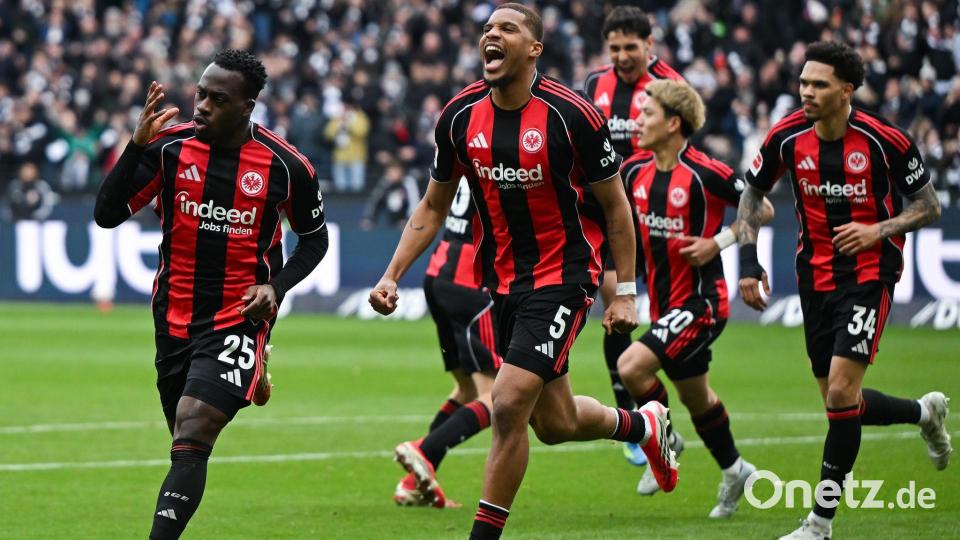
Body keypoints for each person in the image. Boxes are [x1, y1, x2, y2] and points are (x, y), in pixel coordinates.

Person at [368, 5, 677, 539]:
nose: (492, 34)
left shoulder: (571, 115)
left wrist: (623, 293)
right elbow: (433, 206)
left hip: (565, 276)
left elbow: (617, 208)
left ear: (534, 49)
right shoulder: (460, 116)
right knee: (554, 423)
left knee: (507, 402)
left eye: (507, 28)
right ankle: (643, 423)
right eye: (488, 28)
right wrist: (392, 273)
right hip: (503, 283)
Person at [94, 49, 329, 540]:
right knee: (183, 438)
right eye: (200, 93)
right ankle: (255, 369)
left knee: (195, 422)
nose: (200, 105)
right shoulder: (168, 149)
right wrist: (135, 148)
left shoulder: (287, 167)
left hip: (239, 314)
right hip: (173, 315)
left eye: (217, 100)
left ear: (246, 107)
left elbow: (315, 239)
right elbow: (107, 214)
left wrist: (276, 286)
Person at [735, 41, 950, 540]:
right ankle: (924, 413)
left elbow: (931, 206)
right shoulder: (787, 136)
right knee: (840, 405)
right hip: (814, 277)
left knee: (839, 391)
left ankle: (819, 524)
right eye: (804, 82)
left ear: (846, 90)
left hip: (869, 274)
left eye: (819, 85)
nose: (806, 92)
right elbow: (753, 192)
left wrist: (878, 230)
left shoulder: (883, 140)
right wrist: (748, 262)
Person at [617, 79, 774, 517]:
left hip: (703, 303)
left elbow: (762, 207)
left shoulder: (707, 172)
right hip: (665, 305)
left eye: (647, 114)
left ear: (673, 123)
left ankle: (662, 443)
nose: (638, 121)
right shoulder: (634, 172)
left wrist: (718, 242)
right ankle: (736, 470)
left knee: (631, 367)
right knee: (696, 398)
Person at [583, 7, 684, 466]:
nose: (623, 57)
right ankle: (637, 420)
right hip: (606, 218)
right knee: (617, 312)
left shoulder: (670, 89)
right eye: (615, 48)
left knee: (660, 322)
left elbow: (686, 151)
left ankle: (658, 417)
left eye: (631, 47)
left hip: (656, 216)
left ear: (650, 44)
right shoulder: (594, 86)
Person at [393, 178, 500, 509]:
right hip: (472, 280)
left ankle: (414, 482)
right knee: (499, 398)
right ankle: (424, 450)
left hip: (440, 272)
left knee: (467, 390)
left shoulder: (467, 140)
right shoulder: (505, 147)